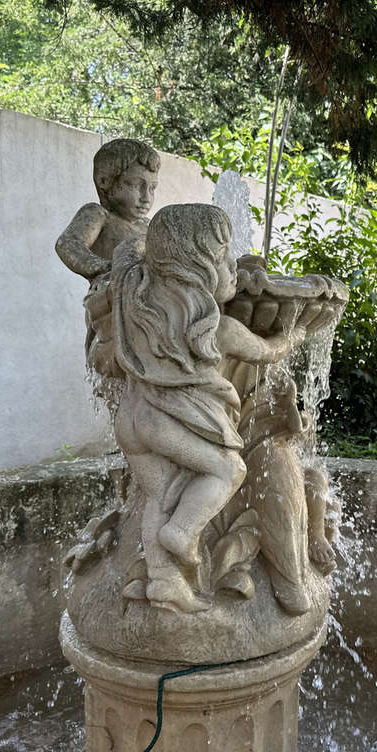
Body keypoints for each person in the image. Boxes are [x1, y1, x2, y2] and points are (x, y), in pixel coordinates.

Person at [110, 204, 302, 612]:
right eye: (221, 257)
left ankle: (164, 583)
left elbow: (126, 251)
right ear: (195, 271)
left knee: (160, 495)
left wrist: (148, 247)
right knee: (228, 469)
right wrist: (296, 335)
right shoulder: (220, 330)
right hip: (168, 424)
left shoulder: (137, 304)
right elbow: (268, 351)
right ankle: (183, 532)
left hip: (131, 421)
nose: (232, 265)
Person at [54, 138, 160, 379]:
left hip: (149, 309)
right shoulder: (99, 215)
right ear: (105, 182)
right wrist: (105, 268)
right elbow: (68, 244)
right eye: (136, 185)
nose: (146, 197)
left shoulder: (150, 227)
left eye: (152, 188)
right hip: (113, 307)